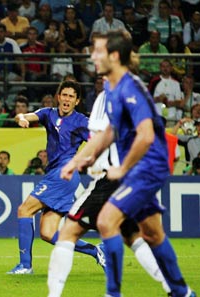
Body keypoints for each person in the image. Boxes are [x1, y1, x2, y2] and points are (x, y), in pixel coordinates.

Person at [61, 30, 195, 297]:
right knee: (151, 234)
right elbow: (109, 131)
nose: (92, 56)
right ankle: (182, 292)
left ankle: (113, 293)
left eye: (98, 51)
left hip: (144, 168)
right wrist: (79, 158)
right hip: (136, 169)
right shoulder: (112, 87)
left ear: (114, 55)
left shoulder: (130, 87)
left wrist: (122, 168)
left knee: (106, 222)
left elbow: (145, 136)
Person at [47, 90, 171, 296]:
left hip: (110, 178)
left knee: (68, 232)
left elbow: (101, 136)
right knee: (132, 236)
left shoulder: (108, 96)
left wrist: (76, 161)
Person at [8, 80, 102, 275]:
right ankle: (96, 251)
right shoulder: (48, 114)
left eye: (71, 97)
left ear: (77, 101)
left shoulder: (81, 121)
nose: (67, 99)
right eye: (64, 95)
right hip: (55, 174)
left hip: (64, 174)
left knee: (24, 210)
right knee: (48, 233)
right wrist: (21, 119)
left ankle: (25, 265)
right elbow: (22, 115)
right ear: (59, 97)